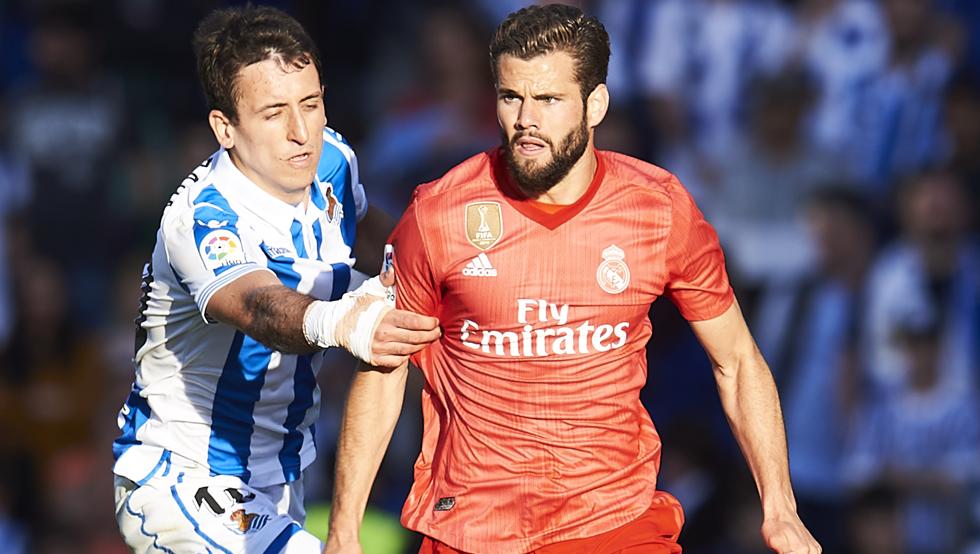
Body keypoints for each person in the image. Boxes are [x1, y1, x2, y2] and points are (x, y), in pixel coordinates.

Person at [325, 5, 819, 554]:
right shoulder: (438, 215)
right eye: (511, 97)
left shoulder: (659, 211)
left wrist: (780, 508)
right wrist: (344, 531)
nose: (526, 120)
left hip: (613, 522)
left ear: (596, 104)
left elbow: (738, 361)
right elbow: (385, 370)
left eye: (549, 100)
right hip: (474, 524)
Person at [110, 6, 440, 552]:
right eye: (272, 114)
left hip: (282, 476)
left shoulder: (332, 158)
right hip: (184, 475)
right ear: (225, 129)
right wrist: (346, 321)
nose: (300, 131)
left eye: (310, 104)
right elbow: (261, 309)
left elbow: (374, 240)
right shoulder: (202, 218)